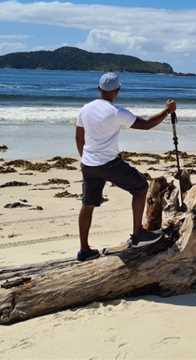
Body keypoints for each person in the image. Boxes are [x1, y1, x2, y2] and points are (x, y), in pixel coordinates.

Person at [74, 72, 176, 262]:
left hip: (88, 164)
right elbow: (145, 125)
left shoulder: (85, 109)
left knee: (87, 205)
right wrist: (166, 111)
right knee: (140, 187)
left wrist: (86, 159)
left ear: (99, 89)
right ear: (117, 91)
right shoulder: (116, 112)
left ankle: (84, 250)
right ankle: (138, 234)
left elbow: (79, 137)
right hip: (109, 163)